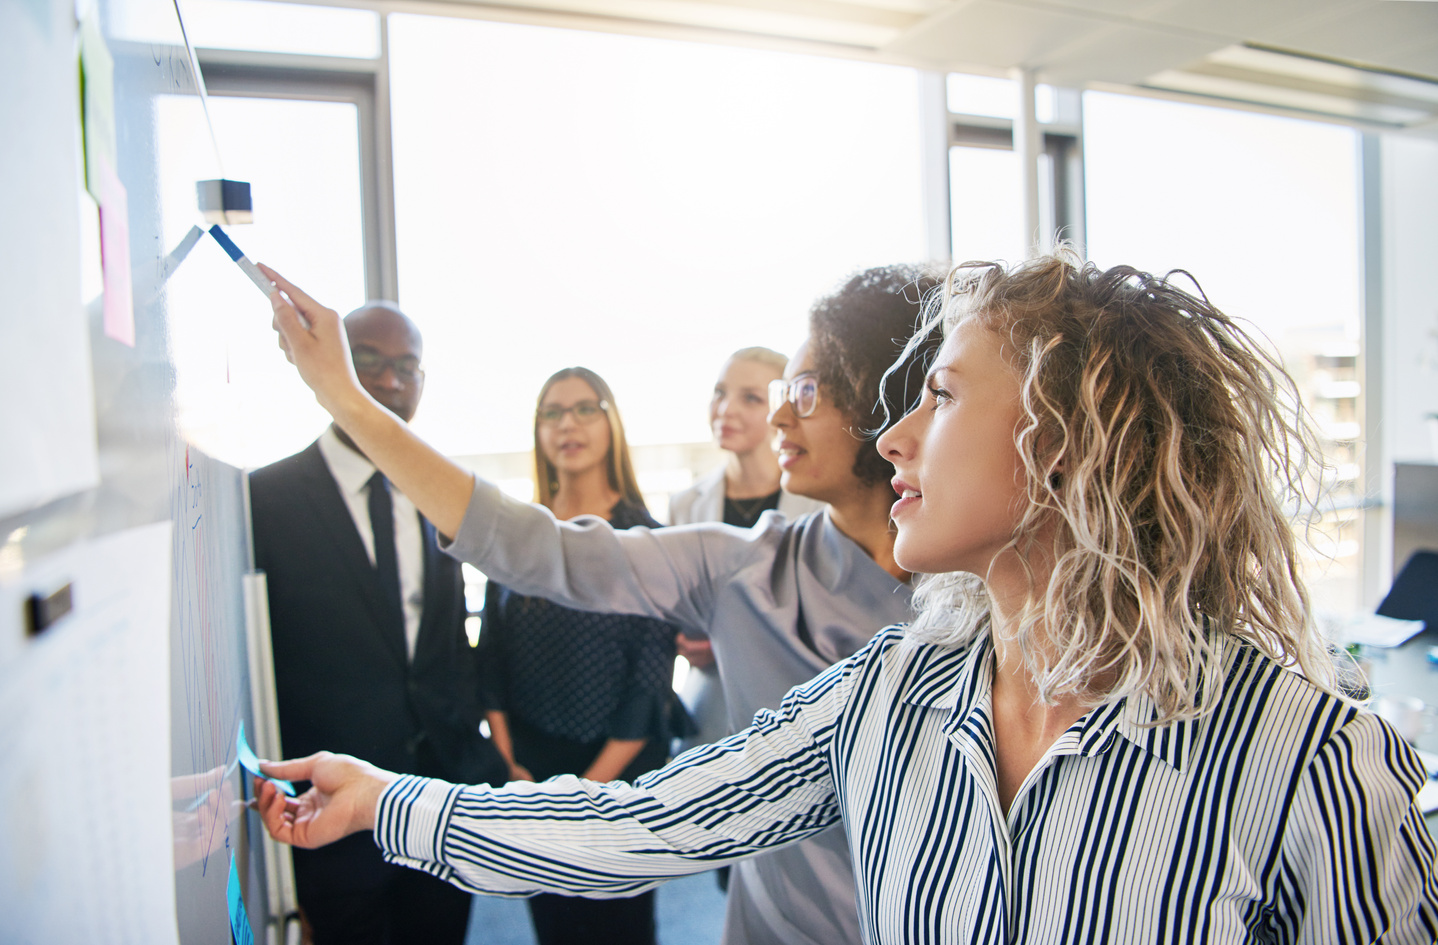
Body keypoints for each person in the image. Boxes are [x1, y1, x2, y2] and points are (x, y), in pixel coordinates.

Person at [258, 254, 1437, 942]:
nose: (900, 430)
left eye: (939, 395)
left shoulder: (1313, 761)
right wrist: (388, 804)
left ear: (1068, 442)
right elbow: (649, 823)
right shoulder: (891, 691)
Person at [254, 259, 943, 945]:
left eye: (807, 388)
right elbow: (532, 548)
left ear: (885, 409)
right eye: (779, 389)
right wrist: (346, 399)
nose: (780, 412)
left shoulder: (976, 606)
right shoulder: (741, 564)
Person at [249, 301, 507, 945]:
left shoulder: (439, 494)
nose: (391, 381)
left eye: (407, 366)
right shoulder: (263, 501)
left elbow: (446, 642)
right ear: (333, 363)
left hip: (440, 802)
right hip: (331, 810)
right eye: (369, 361)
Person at [478, 366, 680, 945]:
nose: (568, 423)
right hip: (530, 775)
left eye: (585, 408)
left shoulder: (649, 538)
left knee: (620, 930)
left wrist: (582, 799)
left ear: (611, 421)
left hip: (620, 781)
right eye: (552, 411)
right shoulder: (516, 532)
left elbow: (648, 686)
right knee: (555, 928)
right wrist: (512, 769)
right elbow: (489, 656)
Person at [668, 347, 823, 760]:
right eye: (719, 393)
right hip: (708, 714)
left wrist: (727, 641)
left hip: (796, 714)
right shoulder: (685, 504)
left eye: (750, 398)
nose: (725, 409)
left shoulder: (818, 502)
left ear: (781, 406)